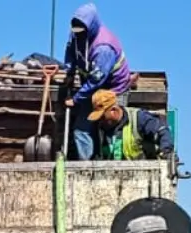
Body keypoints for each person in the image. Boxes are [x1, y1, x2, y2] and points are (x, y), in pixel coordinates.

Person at [63, 4, 135, 161]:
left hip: (112, 88)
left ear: (91, 27)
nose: (78, 35)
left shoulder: (103, 48)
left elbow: (96, 80)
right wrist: (69, 71)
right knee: (81, 129)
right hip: (91, 87)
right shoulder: (76, 33)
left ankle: (113, 167)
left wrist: (75, 100)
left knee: (112, 127)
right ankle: (85, 167)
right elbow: (70, 50)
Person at [87, 90, 172, 162]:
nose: (100, 121)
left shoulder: (138, 118)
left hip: (142, 174)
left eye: (102, 116)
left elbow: (162, 131)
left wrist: (166, 152)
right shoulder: (100, 129)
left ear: (114, 110)